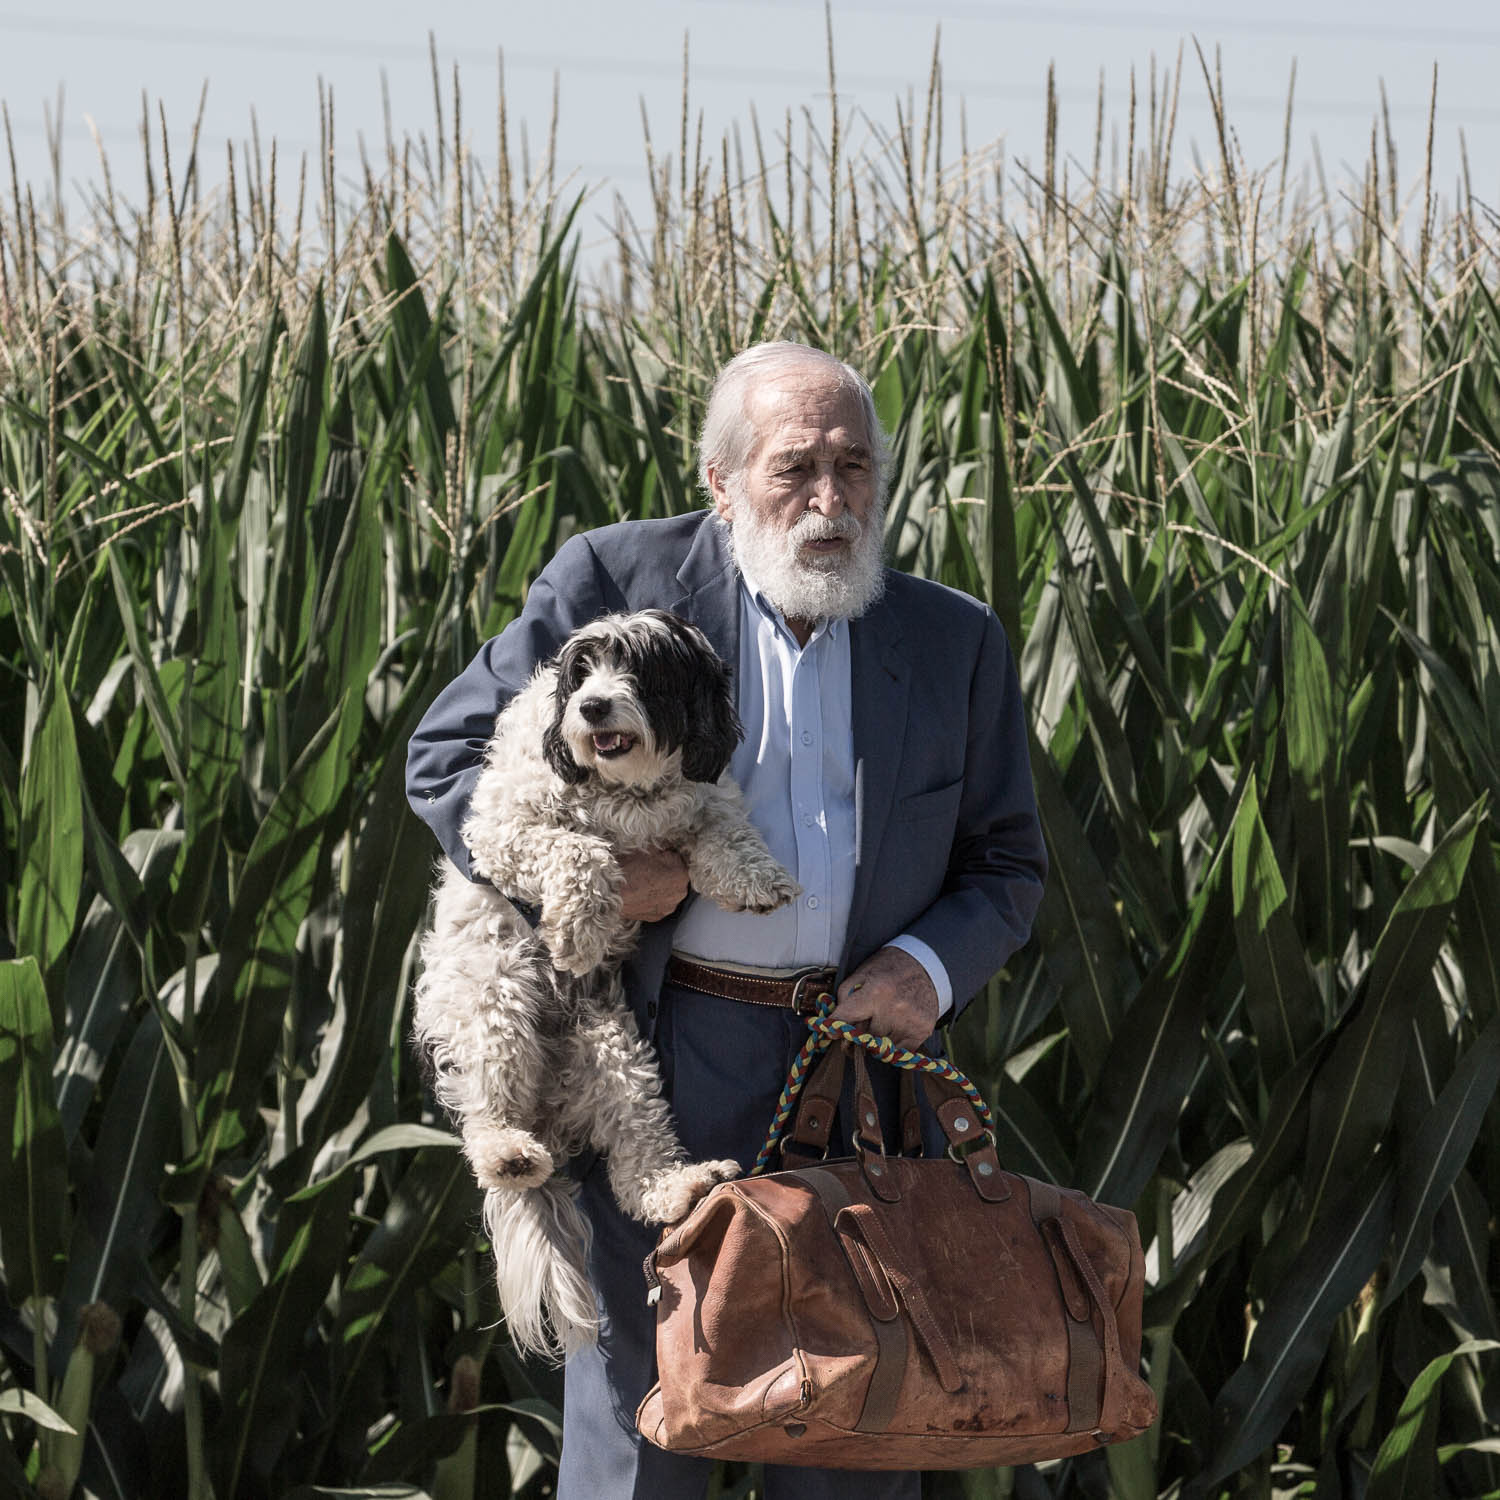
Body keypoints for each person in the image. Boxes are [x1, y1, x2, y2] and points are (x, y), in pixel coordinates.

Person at [405, 340, 1047, 1500]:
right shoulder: (613, 581)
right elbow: (446, 758)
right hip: (661, 1061)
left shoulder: (954, 640)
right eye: (795, 467)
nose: (830, 499)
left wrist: (924, 971)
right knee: (643, 1440)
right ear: (722, 479)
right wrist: (598, 879)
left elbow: (1005, 865)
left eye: (855, 467)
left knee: (852, 1446)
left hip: (857, 1083)